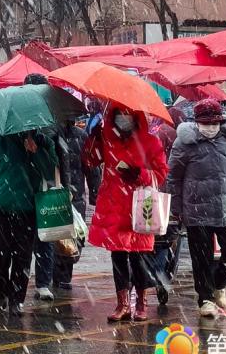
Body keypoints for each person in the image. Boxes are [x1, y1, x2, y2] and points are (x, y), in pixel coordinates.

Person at [167, 99, 226, 317]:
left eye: (215, 123)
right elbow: (173, 178)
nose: (211, 127)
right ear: (197, 122)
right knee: (201, 257)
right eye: (206, 123)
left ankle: (219, 283)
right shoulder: (184, 143)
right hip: (195, 209)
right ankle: (206, 300)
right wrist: (176, 208)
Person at [84, 107, 168, 323]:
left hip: (141, 207)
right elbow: (91, 161)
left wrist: (139, 174)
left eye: (127, 114)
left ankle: (141, 303)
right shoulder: (107, 140)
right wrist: (93, 139)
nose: (123, 118)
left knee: (140, 258)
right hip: (114, 206)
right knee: (118, 257)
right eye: (119, 114)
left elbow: (161, 173)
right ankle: (122, 304)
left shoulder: (150, 142)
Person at [0, 130, 58, 316]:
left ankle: (17, 300)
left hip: (27, 208)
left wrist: (37, 152)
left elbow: (50, 174)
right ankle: (1, 293)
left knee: (23, 257)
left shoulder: (44, 142)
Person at [23, 73, 66, 302]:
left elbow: (61, 157)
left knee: (45, 237)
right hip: (20, 186)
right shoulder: (15, 118)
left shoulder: (52, 119)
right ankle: (22, 281)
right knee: (22, 239)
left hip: (46, 186)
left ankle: (43, 283)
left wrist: (66, 187)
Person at [52, 119, 88, 291]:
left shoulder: (80, 136)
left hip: (73, 193)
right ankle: (59, 275)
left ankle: (62, 275)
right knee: (60, 234)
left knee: (71, 234)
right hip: (60, 192)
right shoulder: (51, 136)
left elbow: (89, 165)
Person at [84, 98, 103, 206]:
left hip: (95, 150)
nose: (90, 108)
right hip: (89, 149)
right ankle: (94, 199)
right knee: (92, 177)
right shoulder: (90, 118)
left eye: (92, 106)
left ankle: (96, 200)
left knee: (95, 177)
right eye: (90, 106)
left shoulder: (100, 118)